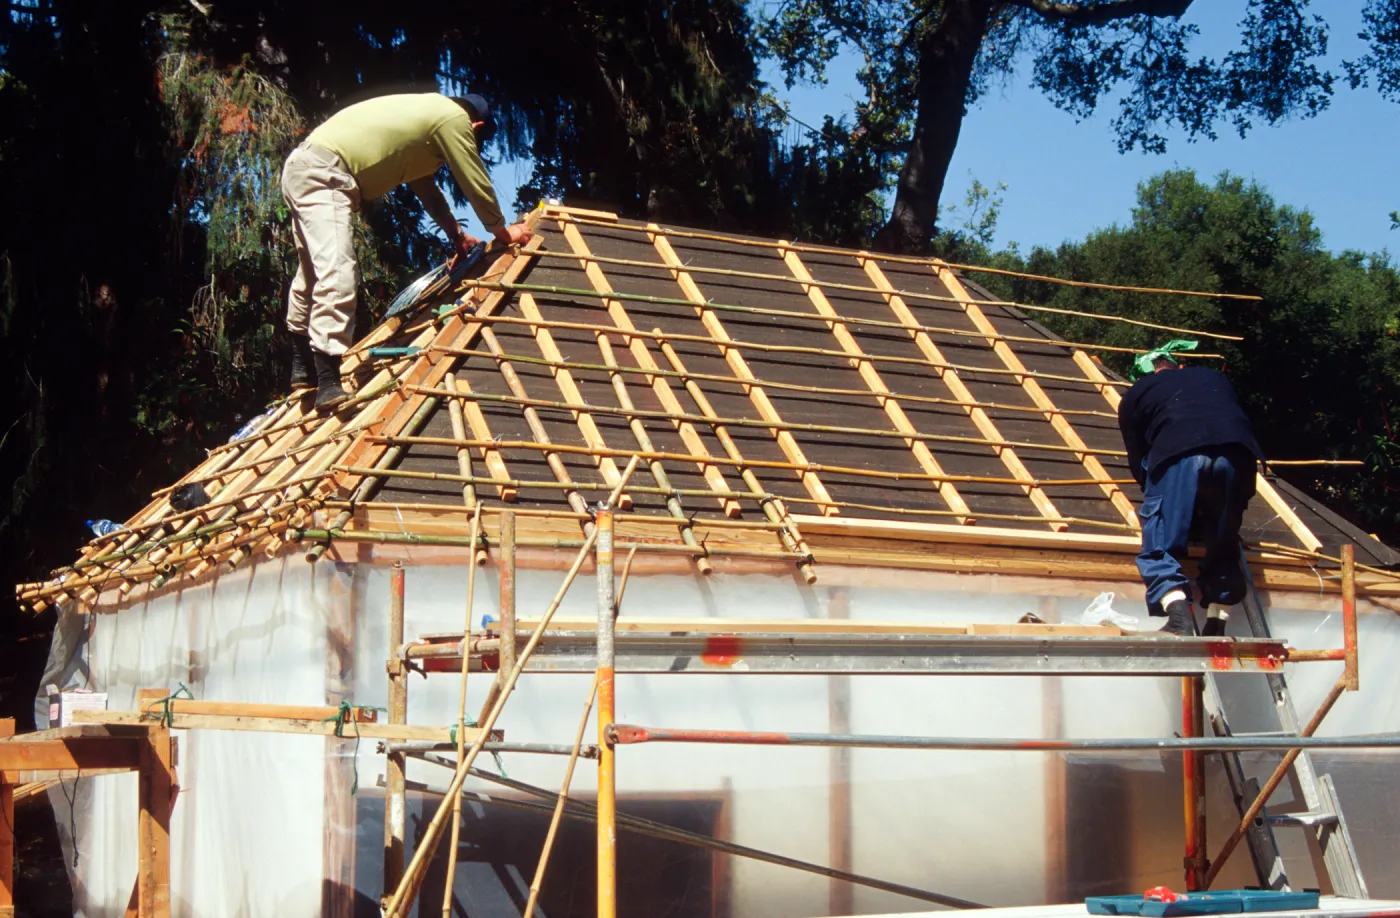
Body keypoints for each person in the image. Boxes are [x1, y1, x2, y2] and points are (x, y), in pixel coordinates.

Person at [281, 92, 533, 411]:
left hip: (304, 167)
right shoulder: (454, 118)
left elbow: (426, 188)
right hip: (327, 173)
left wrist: (455, 235)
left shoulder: (426, 119)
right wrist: (501, 229)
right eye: (476, 137)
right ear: (477, 125)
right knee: (338, 272)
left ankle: (303, 367)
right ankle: (329, 383)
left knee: (312, 274)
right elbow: (472, 175)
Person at [1117, 341, 1264, 636]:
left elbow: (1138, 461)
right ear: (1178, 367)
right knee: (1223, 540)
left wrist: (1169, 504)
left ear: (1143, 377)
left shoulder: (1137, 394)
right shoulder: (1214, 378)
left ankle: (1178, 618)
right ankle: (1216, 623)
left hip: (1179, 453)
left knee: (1159, 540)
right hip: (1240, 456)